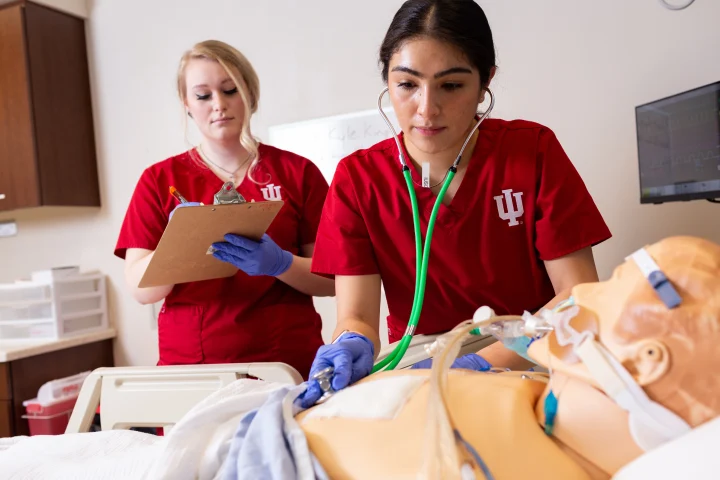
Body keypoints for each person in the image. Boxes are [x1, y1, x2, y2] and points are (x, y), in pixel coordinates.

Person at [301, 0, 611, 404]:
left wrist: (482, 363)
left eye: (451, 85)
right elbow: (356, 315)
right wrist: (350, 342)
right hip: (421, 358)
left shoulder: (532, 151)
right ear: (387, 82)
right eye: (407, 85)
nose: (427, 109)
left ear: (485, 84)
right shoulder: (358, 178)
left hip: (531, 348)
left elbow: (577, 293)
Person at [297, 235, 720, 479]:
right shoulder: (544, 400)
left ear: (647, 359)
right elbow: (354, 310)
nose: (585, 291)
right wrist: (351, 339)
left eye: (613, 286)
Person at [115, 40, 333, 378]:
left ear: (250, 94)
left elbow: (332, 279)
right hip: (194, 368)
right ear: (186, 104)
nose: (219, 104)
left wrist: (281, 263)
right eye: (203, 96)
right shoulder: (159, 180)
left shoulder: (297, 173)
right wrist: (178, 244)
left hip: (285, 362)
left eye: (230, 90)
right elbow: (141, 291)